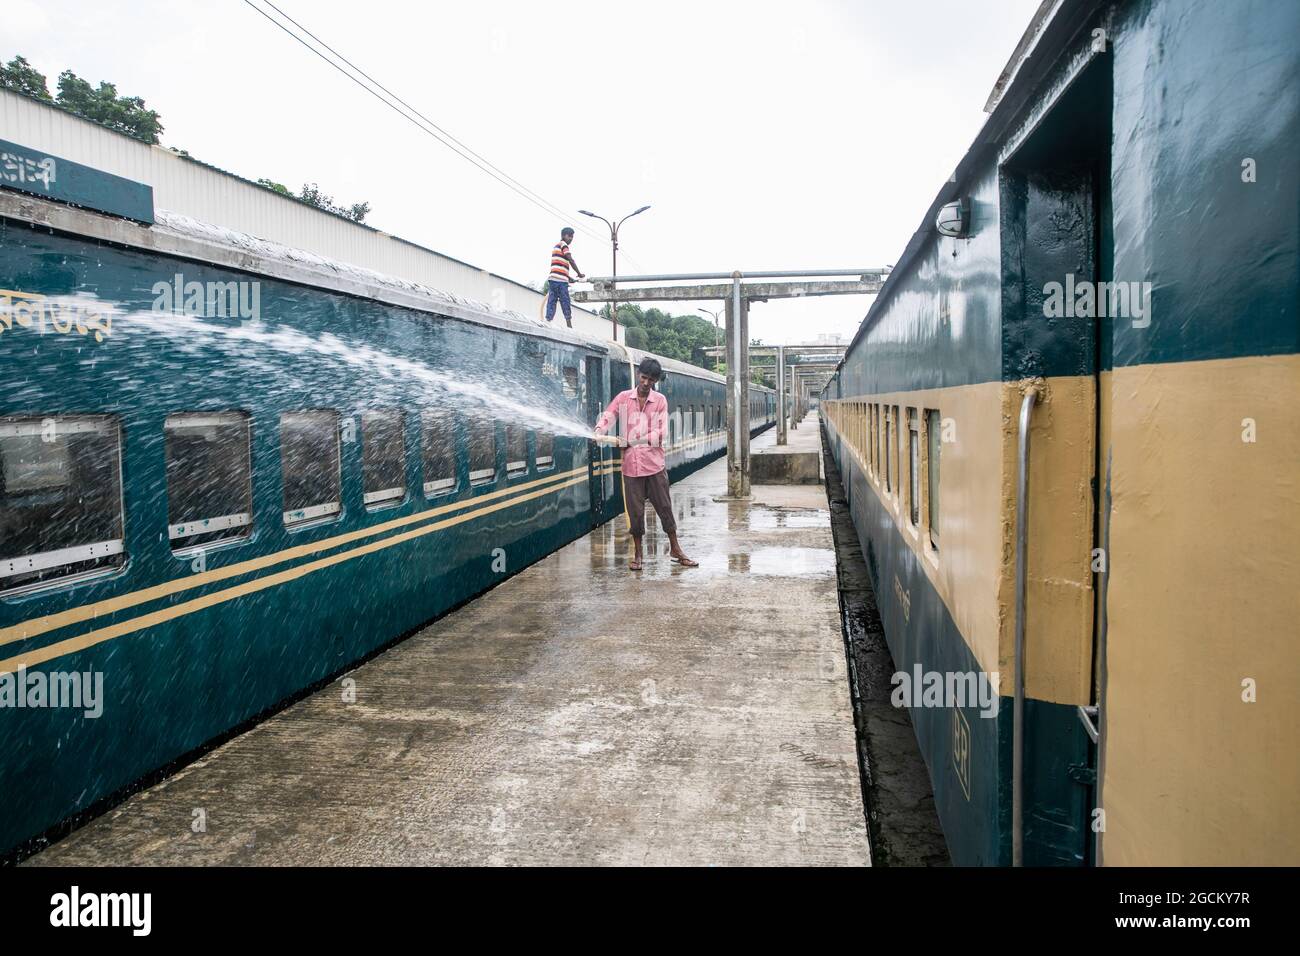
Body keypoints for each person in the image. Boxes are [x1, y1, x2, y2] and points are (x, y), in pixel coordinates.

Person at [592, 357, 698, 570]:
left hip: (654, 466)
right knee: (635, 513)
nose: (646, 383)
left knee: (665, 508)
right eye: (644, 377)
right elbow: (609, 414)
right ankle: (638, 554)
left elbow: (661, 433)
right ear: (638, 375)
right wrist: (599, 430)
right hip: (631, 467)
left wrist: (633, 440)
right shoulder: (623, 398)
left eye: (651, 379)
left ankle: (676, 549)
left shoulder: (660, 400)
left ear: (655, 381)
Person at [545, 227, 584, 328]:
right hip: (561, 281)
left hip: (553, 278)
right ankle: (569, 325)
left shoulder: (556, 246)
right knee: (565, 301)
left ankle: (548, 320)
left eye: (572, 237)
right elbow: (570, 260)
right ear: (564, 236)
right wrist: (579, 273)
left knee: (552, 300)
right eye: (569, 236)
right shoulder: (564, 245)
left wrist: (569, 277)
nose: (571, 238)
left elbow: (559, 266)